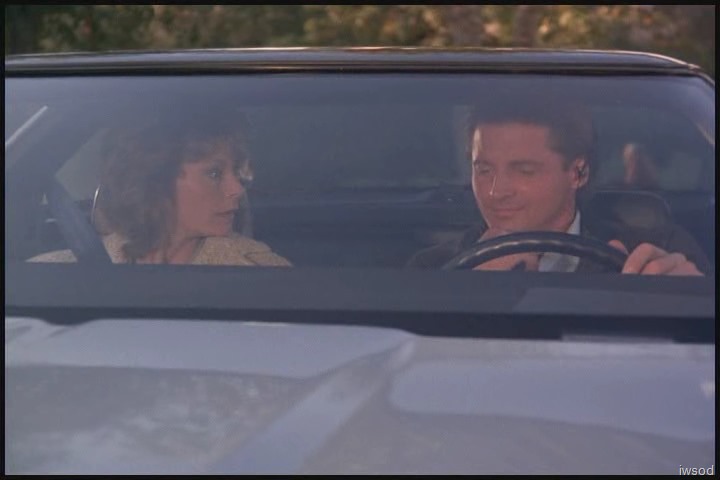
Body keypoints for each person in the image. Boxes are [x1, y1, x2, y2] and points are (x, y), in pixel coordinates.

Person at [408, 98, 710, 275]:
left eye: (524, 171)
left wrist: (691, 300)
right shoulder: (435, 268)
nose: (495, 192)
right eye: (483, 170)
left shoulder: (662, 250)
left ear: (578, 173)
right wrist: (474, 293)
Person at [30, 109, 290, 267]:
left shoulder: (265, 275)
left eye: (236, 172)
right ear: (154, 180)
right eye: (214, 173)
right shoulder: (54, 275)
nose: (237, 189)